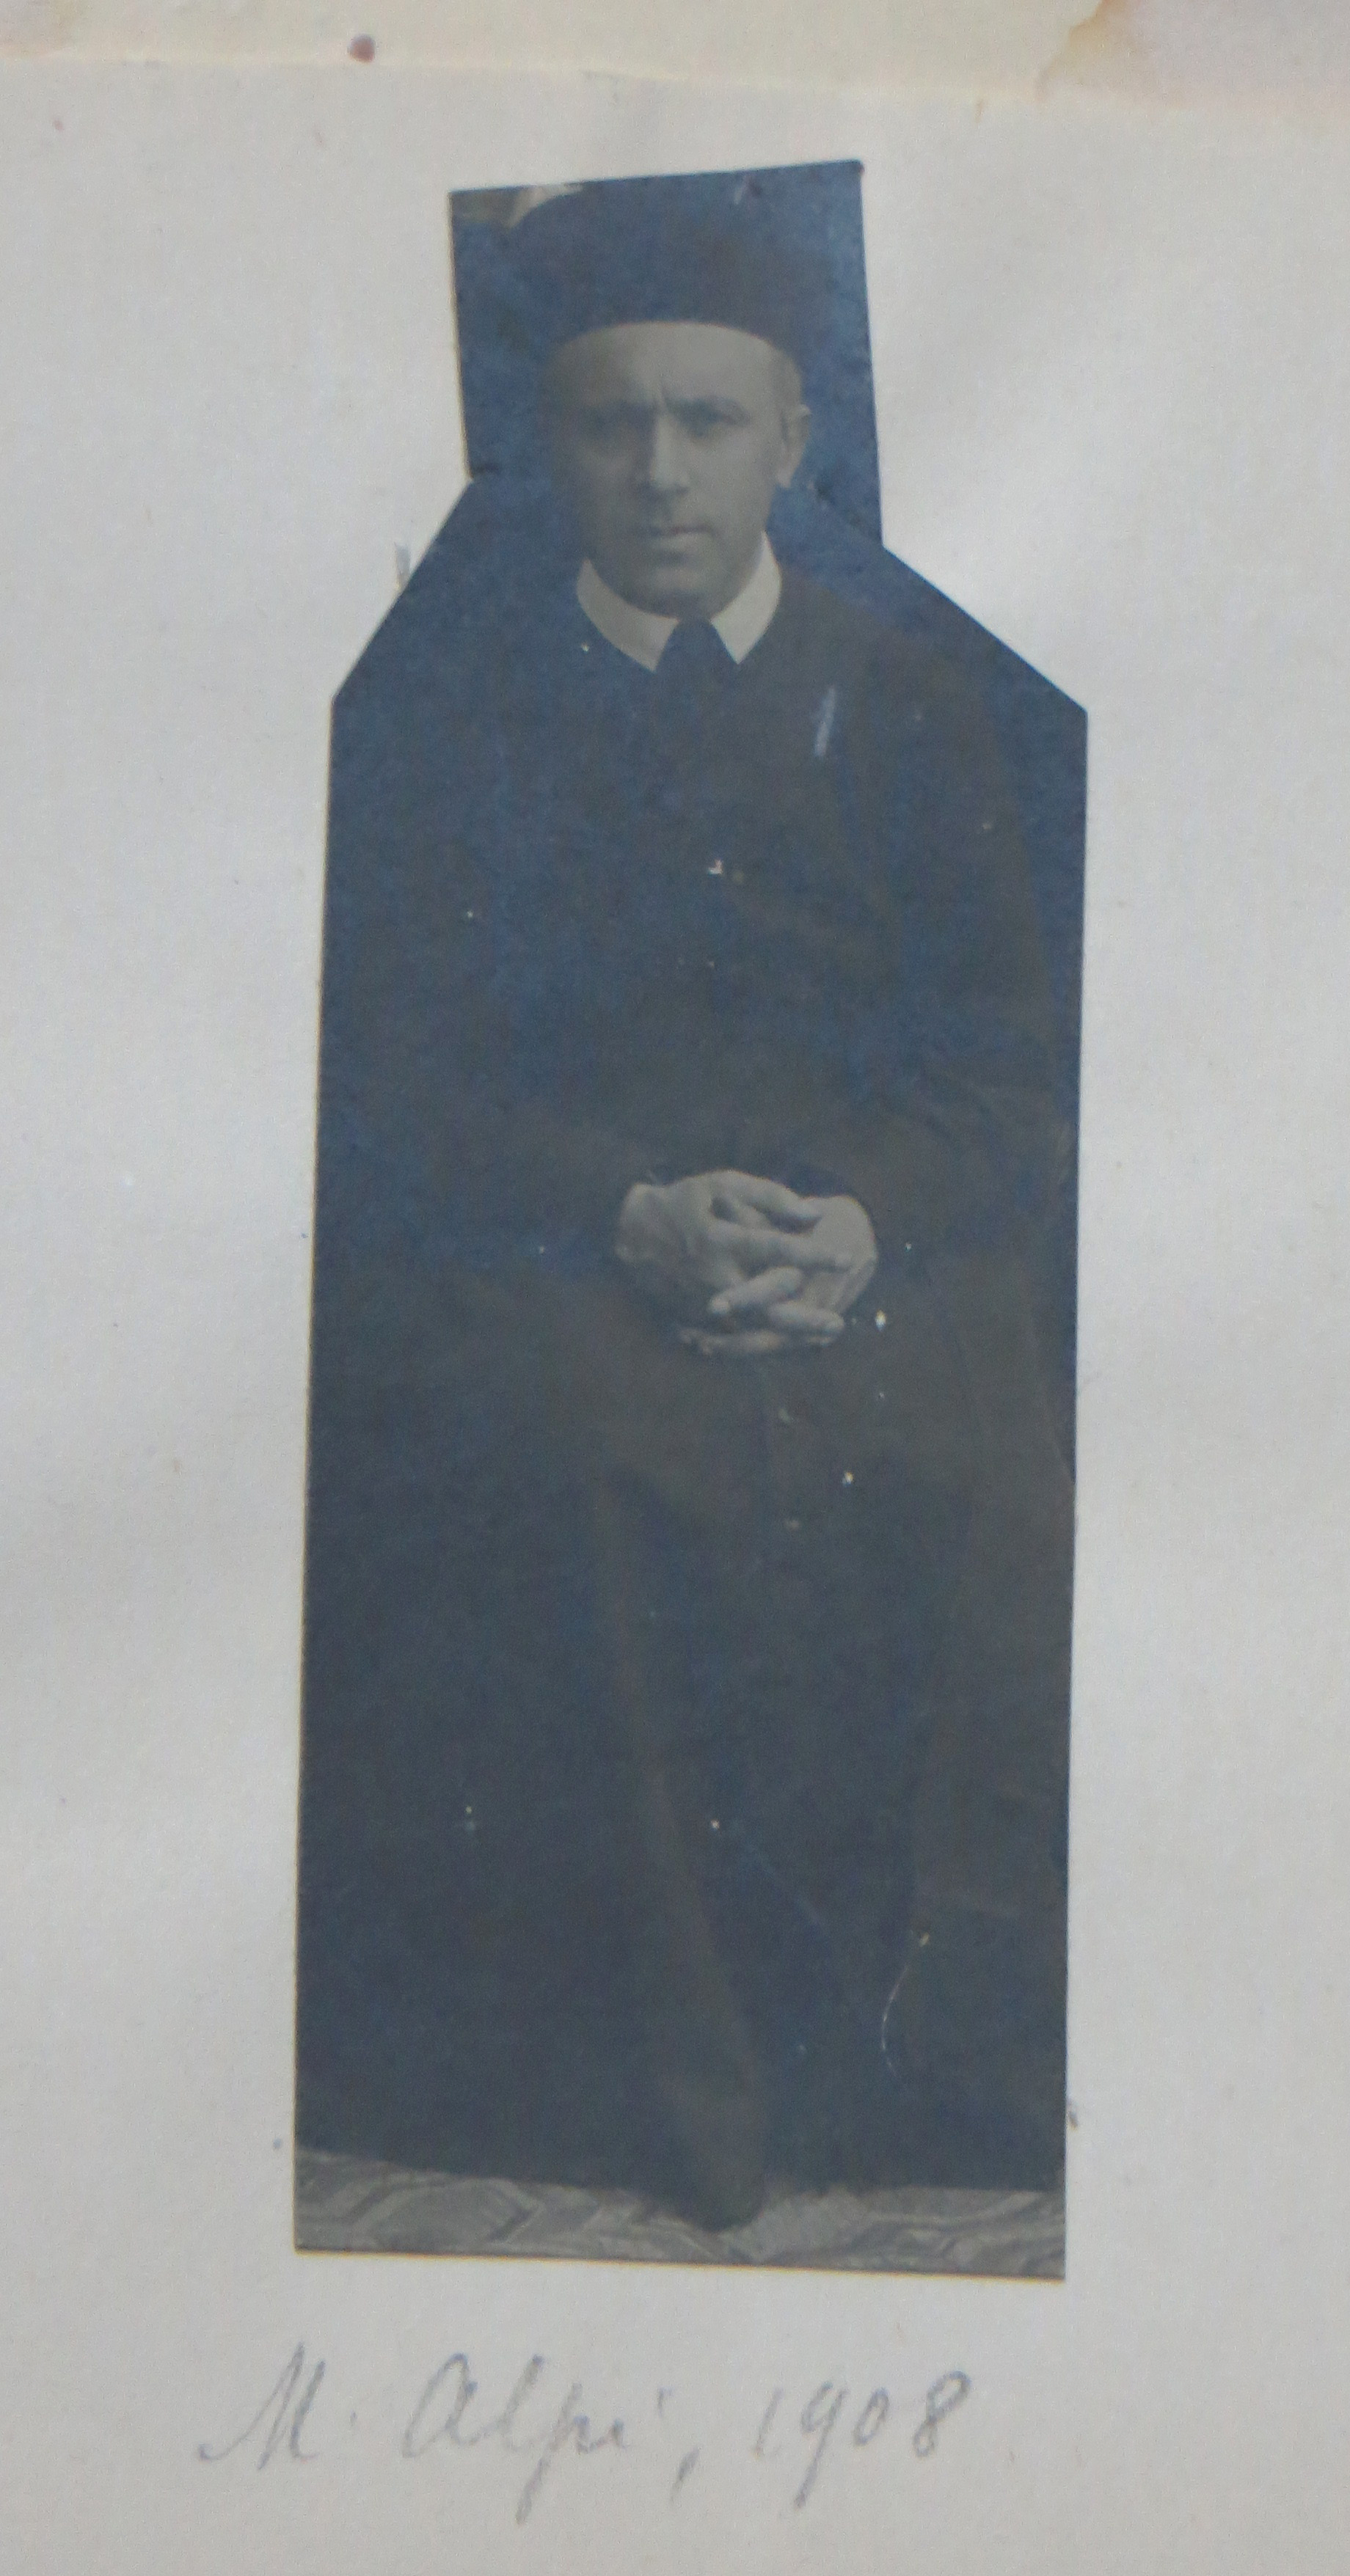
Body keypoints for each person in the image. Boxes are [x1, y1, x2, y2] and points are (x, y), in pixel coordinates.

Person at [297, 180, 1073, 2233]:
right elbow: (389, 1081)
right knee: (580, 1433)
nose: (659, 471)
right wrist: (618, 1209)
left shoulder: (905, 696)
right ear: (543, 447)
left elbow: (1005, 1071)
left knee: (966, 1430)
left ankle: (917, 2080)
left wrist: (869, 1224)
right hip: (559, 1249)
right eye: (611, 422)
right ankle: (677, 2092)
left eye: (707, 422)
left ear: (790, 440)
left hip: (856, 1255)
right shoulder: (443, 714)